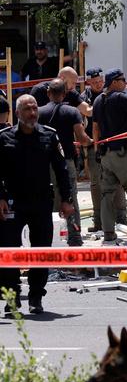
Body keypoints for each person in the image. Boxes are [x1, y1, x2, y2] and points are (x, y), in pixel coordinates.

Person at [0, 95, 75, 315]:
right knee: (10, 253)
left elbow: (62, 170)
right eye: (27, 110)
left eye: (34, 109)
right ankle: (12, 299)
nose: (32, 113)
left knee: (41, 252)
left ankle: (36, 297)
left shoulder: (49, 136)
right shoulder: (4, 138)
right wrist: (0, 197)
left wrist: (67, 199)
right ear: (17, 113)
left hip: (42, 202)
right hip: (13, 203)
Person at [92, 68, 127, 244]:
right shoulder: (119, 96)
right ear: (115, 82)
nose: (125, 83)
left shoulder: (97, 101)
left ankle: (108, 232)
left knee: (107, 194)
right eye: (123, 80)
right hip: (123, 154)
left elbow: (95, 128)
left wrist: (97, 151)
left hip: (106, 154)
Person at [38, 79, 91, 247]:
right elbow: (82, 138)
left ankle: (51, 236)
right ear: (65, 93)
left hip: (45, 164)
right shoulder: (71, 112)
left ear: (48, 93)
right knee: (70, 197)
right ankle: (74, 237)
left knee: (48, 197)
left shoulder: (39, 112)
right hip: (66, 161)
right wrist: (92, 142)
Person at [80, 68, 127, 232]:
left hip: (113, 144)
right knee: (95, 184)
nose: (99, 85)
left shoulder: (112, 93)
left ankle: (122, 218)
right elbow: (87, 114)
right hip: (94, 145)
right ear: (88, 83)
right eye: (94, 83)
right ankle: (98, 221)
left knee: (118, 181)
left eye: (100, 81)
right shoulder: (84, 97)